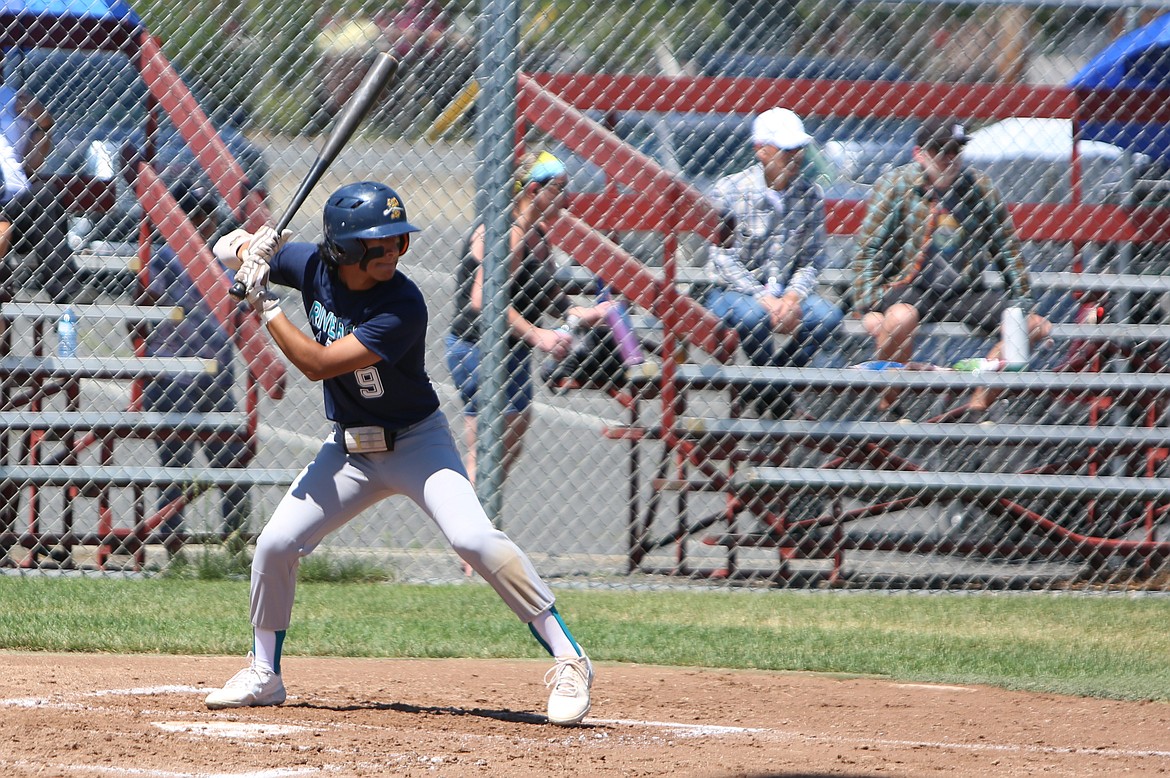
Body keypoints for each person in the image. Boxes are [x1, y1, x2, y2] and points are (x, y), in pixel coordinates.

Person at [202, 181, 594, 726]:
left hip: (416, 442)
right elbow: (224, 244)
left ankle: (571, 660)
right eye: (378, 245)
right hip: (349, 451)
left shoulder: (402, 303)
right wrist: (254, 249)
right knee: (274, 545)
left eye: (397, 243)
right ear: (342, 250)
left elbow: (316, 363)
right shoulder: (314, 265)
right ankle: (264, 673)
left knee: (474, 538)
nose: (391, 253)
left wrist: (266, 303)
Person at [852, 117, 1053, 418]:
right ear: (919, 154)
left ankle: (975, 408)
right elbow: (869, 250)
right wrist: (866, 305)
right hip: (911, 285)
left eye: (955, 151)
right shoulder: (897, 186)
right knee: (899, 317)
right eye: (941, 151)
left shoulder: (979, 189)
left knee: (1032, 325)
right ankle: (890, 406)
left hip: (964, 290)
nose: (950, 159)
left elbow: (1008, 251)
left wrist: (1022, 304)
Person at [445, 151, 613, 487]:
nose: (567, 198)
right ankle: (471, 526)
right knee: (485, 452)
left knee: (504, 446)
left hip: (511, 351)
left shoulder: (535, 232)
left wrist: (576, 312)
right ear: (535, 190)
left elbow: (543, 289)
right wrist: (538, 335)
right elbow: (485, 299)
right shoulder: (507, 231)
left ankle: (477, 520)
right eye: (560, 188)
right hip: (479, 349)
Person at [702, 107, 844, 417]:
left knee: (828, 318)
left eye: (799, 150)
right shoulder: (728, 190)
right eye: (787, 150)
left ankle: (766, 386)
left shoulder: (810, 195)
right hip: (732, 292)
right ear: (762, 151)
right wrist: (763, 296)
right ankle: (775, 392)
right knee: (754, 318)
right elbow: (722, 259)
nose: (796, 157)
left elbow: (813, 258)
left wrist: (792, 297)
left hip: (784, 293)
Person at [139, 180, 248, 543]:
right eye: (197, 216)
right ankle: (172, 541)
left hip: (216, 379)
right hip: (171, 378)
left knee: (231, 460)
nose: (206, 224)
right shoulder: (163, 255)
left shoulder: (224, 260)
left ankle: (235, 538)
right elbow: (141, 311)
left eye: (209, 217)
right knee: (175, 464)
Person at [0, 86, 81, 305]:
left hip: (14, 202)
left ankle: (66, 291)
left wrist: (43, 125)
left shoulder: (11, 99)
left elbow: (31, 165)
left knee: (45, 194)